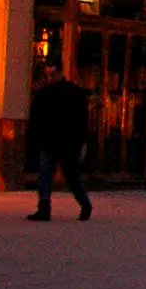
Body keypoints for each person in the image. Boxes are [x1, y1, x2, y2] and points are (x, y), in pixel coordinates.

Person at [25, 61, 92, 221]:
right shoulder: (44, 94)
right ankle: (44, 207)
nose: (50, 77)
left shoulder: (73, 94)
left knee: (71, 176)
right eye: (48, 74)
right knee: (45, 175)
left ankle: (85, 204)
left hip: (67, 143)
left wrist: (80, 141)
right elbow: (36, 119)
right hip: (50, 142)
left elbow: (81, 120)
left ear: (61, 73)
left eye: (53, 73)